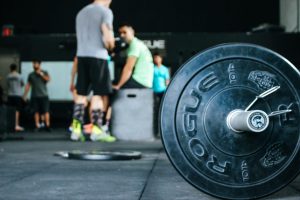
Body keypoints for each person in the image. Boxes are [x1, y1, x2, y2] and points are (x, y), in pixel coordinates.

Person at [71, 0, 116, 142]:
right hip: (98, 57)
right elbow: (108, 38)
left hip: (82, 56)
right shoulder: (105, 12)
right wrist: (112, 46)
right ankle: (96, 131)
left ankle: (76, 131)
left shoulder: (81, 12)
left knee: (81, 94)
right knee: (98, 94)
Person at [113, 24, 154, 90]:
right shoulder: (136, 43)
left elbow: (128, 68)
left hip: (140, 81)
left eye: (124, 32)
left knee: (109, 89)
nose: (121, 35)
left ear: (132, 32)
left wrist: (118, 86)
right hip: (146, 82)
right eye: (120, 33)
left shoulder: (134, 44)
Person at [23, 60, 51, 132]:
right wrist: (25, 95)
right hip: (35, 96)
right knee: (36, 112)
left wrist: (41, 74)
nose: (34, 65)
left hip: (44, 95)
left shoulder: (44, 72)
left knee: (46, 111)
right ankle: (37, 125)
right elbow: (28, 85)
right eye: (33, 64)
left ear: (39, 64)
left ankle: (47, 125)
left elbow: (48, 79)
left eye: (36, 64)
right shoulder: (31, 74)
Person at [152, 53, 170, 137]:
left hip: (163, 91)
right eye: (155, 58)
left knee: (161, 111)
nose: (156, 59)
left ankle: (162, 132)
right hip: (154, 91)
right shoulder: (152, 68)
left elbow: (167, 80)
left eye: (158, 58)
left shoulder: (165, 69)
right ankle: (155, 132)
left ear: (161, 59)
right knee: (154, 111)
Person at [6, 64, 25, 131]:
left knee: (11, 110)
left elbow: (8, 84)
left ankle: (10, 125)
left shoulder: (8, 76)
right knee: (17, 111)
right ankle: (16, 125)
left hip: (10, 95)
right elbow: (22, 84)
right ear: (16, 68)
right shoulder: (19, 76)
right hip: (17, 95)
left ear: (10, 68)